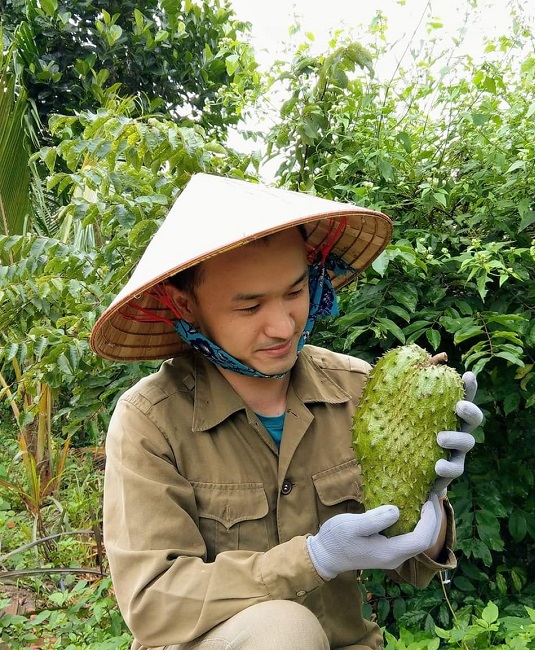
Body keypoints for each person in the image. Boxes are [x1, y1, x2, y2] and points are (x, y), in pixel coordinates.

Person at [91, 173, 482, 650]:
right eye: (250, 306)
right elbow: (153, 603)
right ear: (185, 304)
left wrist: (431, 503)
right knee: (283, 631)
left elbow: (411, 565)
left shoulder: (357, 387)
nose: (283, 327)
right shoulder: (150, 422)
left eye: (295, 293)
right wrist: (313, 558)